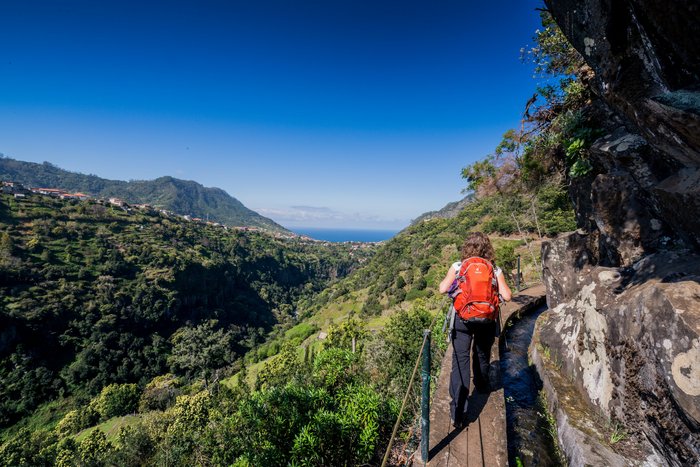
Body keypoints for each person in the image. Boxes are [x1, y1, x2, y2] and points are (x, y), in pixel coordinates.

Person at [438, 232, 511, 429]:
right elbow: (507, 295)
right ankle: (481, 384)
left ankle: (458, 413)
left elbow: (442, 289)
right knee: (481, 353)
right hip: (487, 319)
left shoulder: (459, 266)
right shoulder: (494, 269)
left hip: (463, 319)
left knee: (460, 361)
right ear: (488, 248)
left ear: (466, 247)